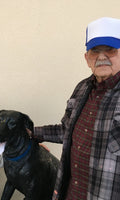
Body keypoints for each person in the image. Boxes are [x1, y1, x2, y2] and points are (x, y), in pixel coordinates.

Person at [30, 17, 120, 200]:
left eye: (110, 50)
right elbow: (67, 131)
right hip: (70, 193)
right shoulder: (82, 88)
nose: (102, 57)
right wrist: (30, 133)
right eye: (95, 51)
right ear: (87, 59)